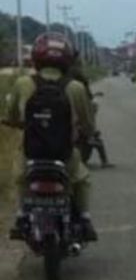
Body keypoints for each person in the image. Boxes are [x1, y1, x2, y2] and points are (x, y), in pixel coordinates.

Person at [4, 32, 98, 242]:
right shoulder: (76, 87)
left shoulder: (21, 83)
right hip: (64, 154)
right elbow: (88, 124)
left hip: (31, 153)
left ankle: (20, 217)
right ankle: (84, 219)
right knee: (82, 179)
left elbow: (10, 115)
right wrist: (88, 133)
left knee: (21, 178)